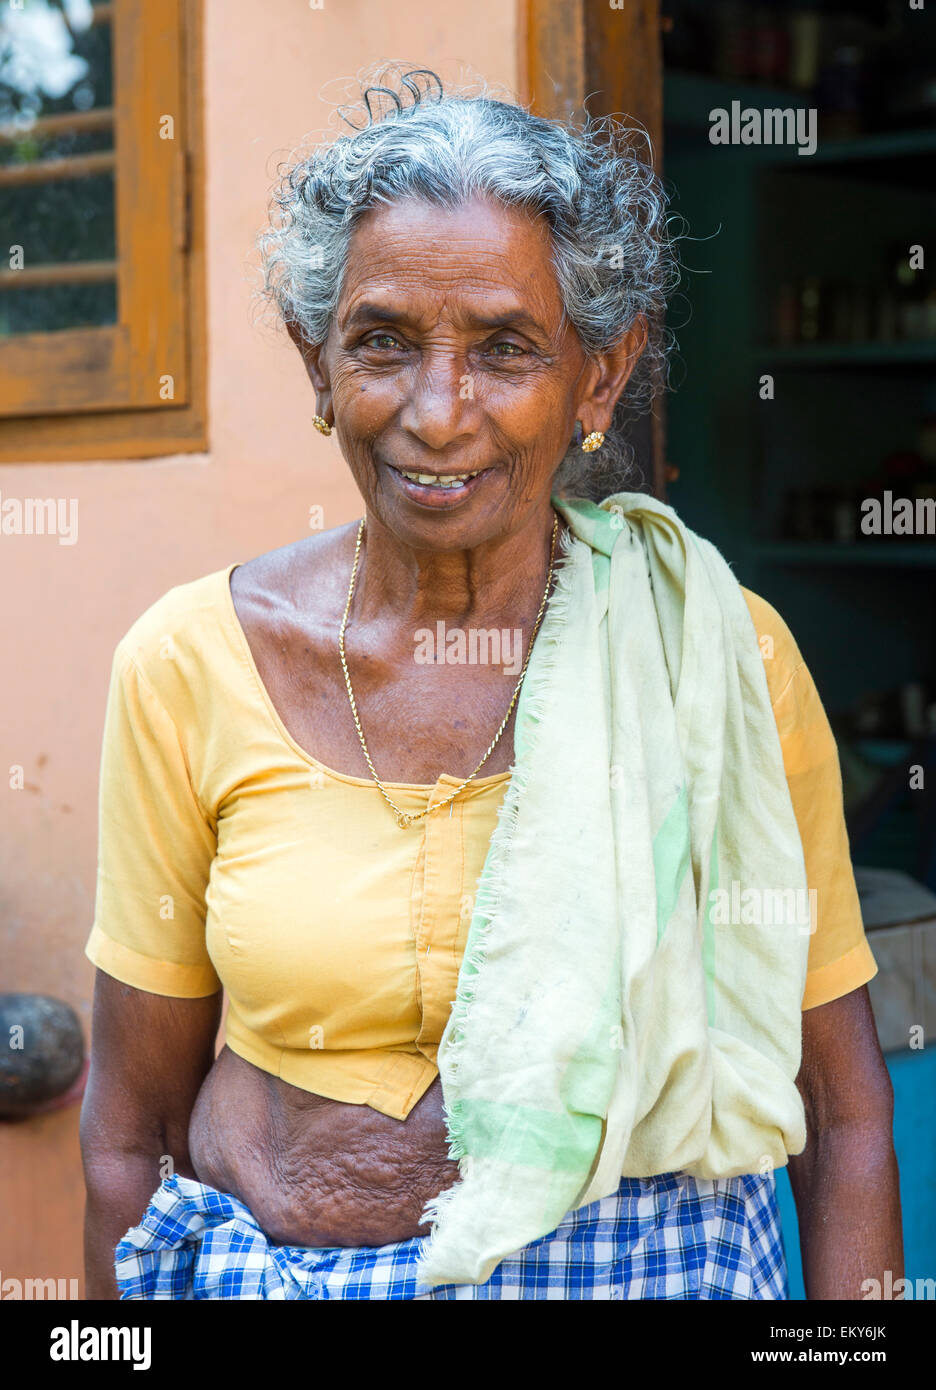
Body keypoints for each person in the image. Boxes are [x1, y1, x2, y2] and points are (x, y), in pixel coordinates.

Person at [79, 69, 901, 1300]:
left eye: (507, 349)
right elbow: (122, 1132)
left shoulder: (710, 654)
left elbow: (839, 1114)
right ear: (318, 363)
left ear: (601, 378)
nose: (439, 412)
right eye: (383, 342)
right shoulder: (190, 663)